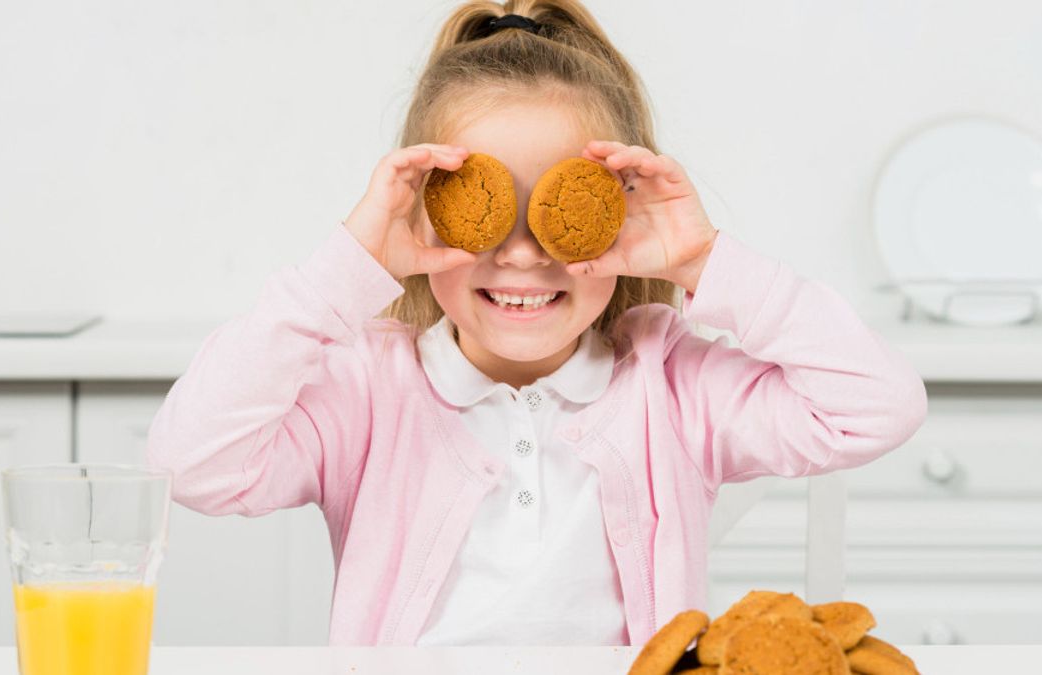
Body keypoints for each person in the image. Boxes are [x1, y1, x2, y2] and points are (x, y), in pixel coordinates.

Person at [145, 0, 927, 647]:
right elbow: (192, 463)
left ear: (617, 212)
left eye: (558, 215)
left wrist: (702, 260)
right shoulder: (369, 389)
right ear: (420, 212)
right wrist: (345, 269)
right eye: (483, 215)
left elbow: (878, 406)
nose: (521, 254)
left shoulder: (673, 385)